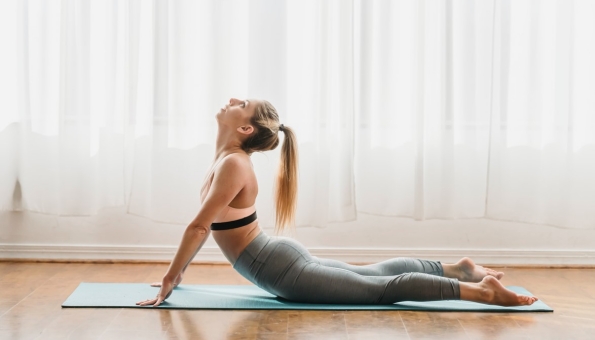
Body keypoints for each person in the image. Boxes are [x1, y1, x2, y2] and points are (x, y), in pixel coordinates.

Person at [137, 98, 538, 308]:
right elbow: (203, 227)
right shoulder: (230, 160)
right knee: (374, 274)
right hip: (277, 257)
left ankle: (481, 292)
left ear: (244, 128)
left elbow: (198, 227)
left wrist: (173, 276)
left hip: (281, 270)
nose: (232, 98)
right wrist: (178, 271)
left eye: (241, 103)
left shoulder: (233, 165)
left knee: (382, 289)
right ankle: (457, 269)